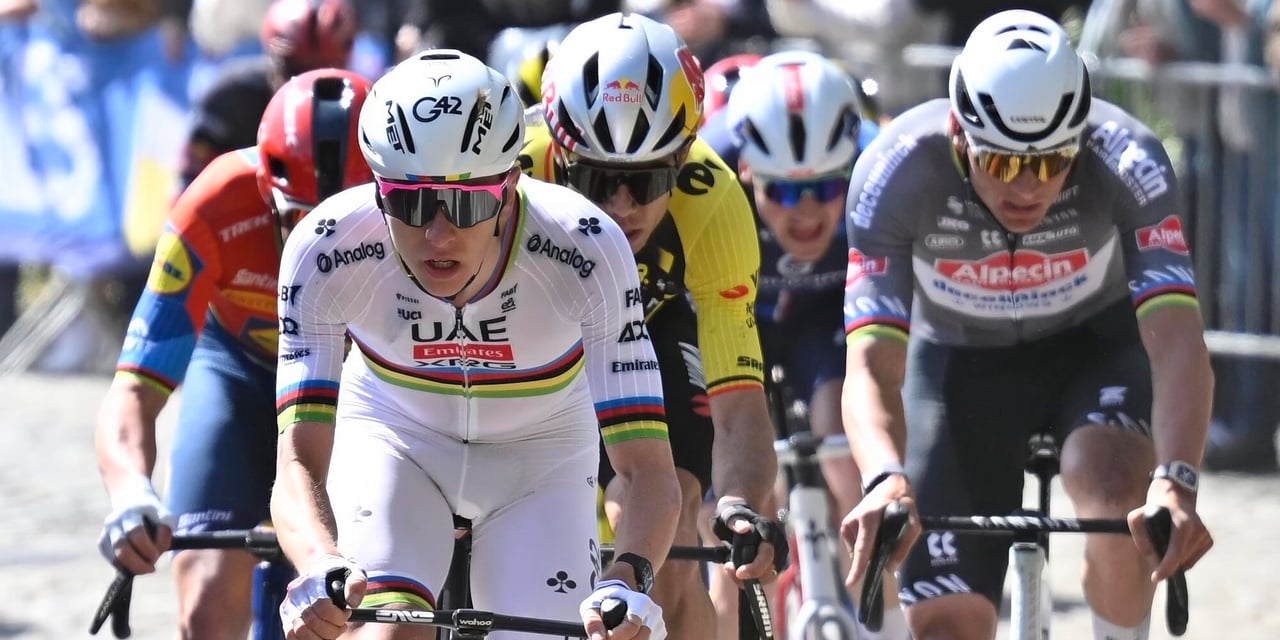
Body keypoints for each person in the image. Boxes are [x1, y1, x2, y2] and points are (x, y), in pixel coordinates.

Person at [270, 49, 681, 640]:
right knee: (383, 632)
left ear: (511, 184)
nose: (438, 233)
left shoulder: (586, 248)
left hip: (541, 458)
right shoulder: (327, 250)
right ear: (377, 188)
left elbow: (647, 472)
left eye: (465, 203)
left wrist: (627, 579)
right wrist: (316, 563)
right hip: (395, 440)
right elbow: (297, 462)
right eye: (411, 203)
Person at [837, 10, 1215, 640]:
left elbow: (1177, 340)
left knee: (1118, 491)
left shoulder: (1128, 159)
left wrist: (1175, 481)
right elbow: (871, 362)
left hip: (1093, 350)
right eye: (1005, 164)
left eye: (1051, 162)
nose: (1028, 187)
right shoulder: (895, 171)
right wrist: (883, 476)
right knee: (945, 629)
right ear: (960, 136)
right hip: (959, 366)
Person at [523, 12, 787, 638]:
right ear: (560, 155)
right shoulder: (515, 172)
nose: (621, 206)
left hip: (647, 336)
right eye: (596, 180)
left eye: (645, 181)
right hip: (529, 343)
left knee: (664, 543)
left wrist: (743, 508)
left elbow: (740, 405)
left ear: (679, 159)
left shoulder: (714, 196)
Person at [94, 68, 373, 638]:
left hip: (363, 392)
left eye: (344, 221)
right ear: (267, 195)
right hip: (241, 371)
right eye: (300, 219)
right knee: (205, 601)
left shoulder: (421, 215)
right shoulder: (216, 204)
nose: (321, 241)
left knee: (359, 609)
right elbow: (135, 387)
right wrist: (130, 490)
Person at [700, 49, 906, 639]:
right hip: (738, 316)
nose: (807, 211)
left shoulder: (880, 158)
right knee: (736, 508)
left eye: (824, 186)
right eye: (785, 193)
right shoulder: (708, 163)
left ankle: (887, 625)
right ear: (745, 172)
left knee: (849, 460)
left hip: (827, 315)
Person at [181, 0, 357, 186]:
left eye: (321, 75)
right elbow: (188, 189)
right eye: (295, 71)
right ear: (272, 61)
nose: (305, 87)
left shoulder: (358, 107)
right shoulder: (229, 100)